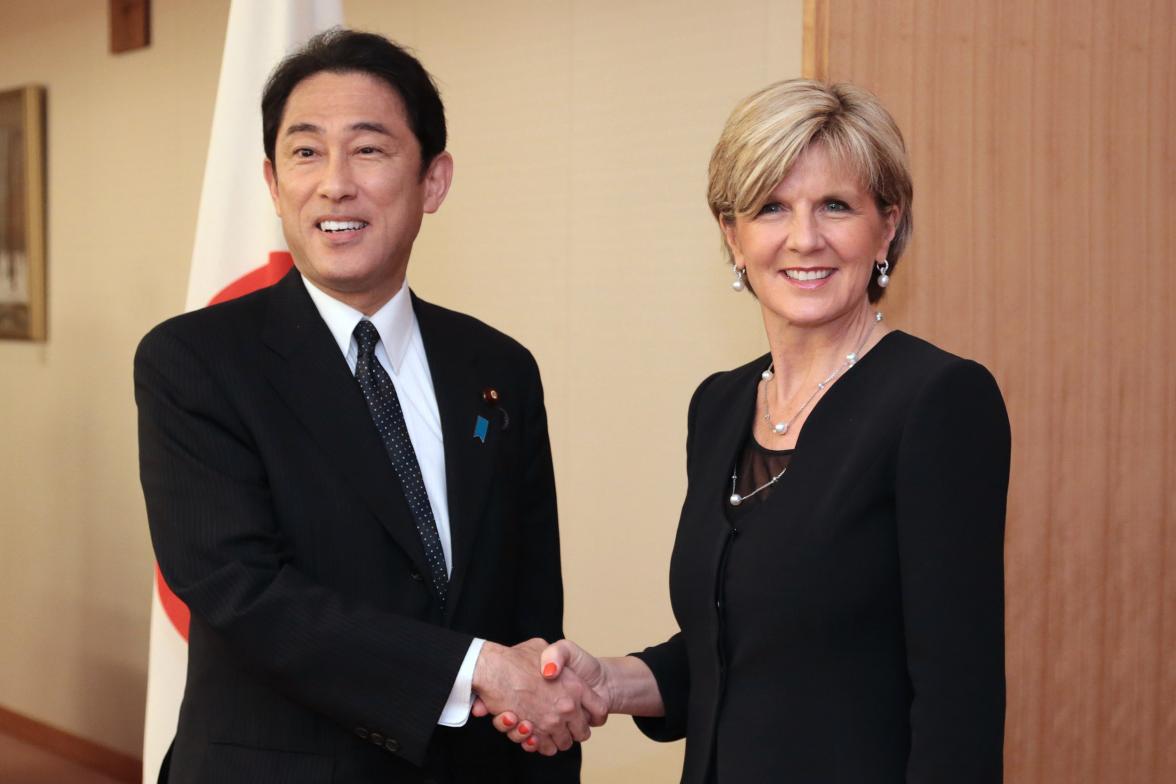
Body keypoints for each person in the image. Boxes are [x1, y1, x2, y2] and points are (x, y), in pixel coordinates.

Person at [483, 79, 1010, 782]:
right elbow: (736, 653)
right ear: (732, 235)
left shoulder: (938, 401)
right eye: (770, 208)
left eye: (835, 206)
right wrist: (608, 681)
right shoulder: (721, 406)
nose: (804, 238)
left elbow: (959, 704)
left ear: (887, 224)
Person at [135, 29, 600, 784]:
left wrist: (539, 715)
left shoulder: (499, 369)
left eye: (370, 149)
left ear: (434, 181)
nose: (334, 183)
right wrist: (472, 669)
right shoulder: (195, 362)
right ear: (272, 181)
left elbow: (528, 611)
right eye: (306, 152)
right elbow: (240, 591)